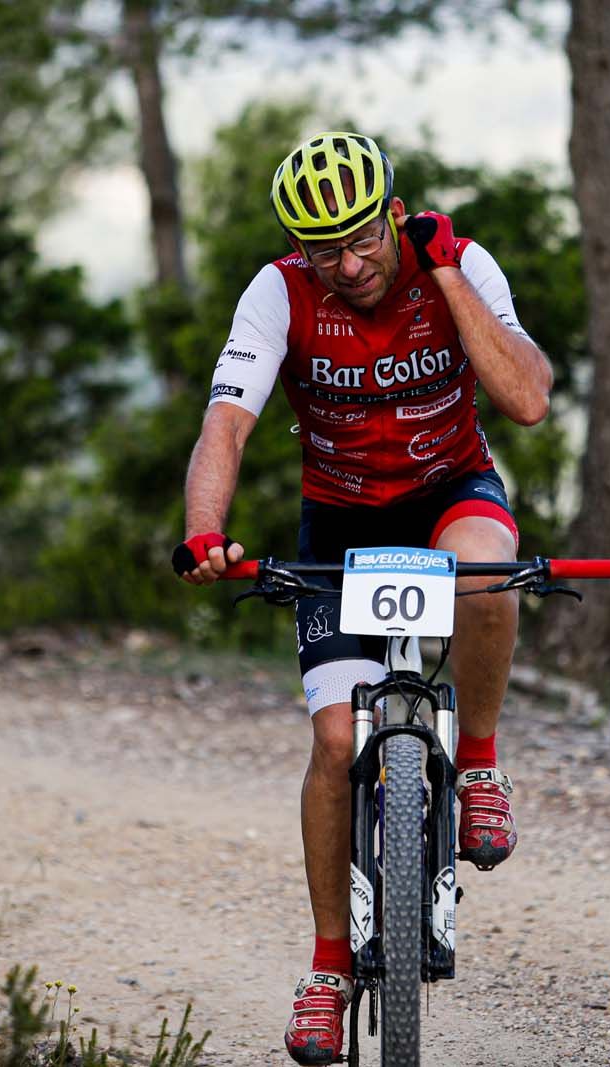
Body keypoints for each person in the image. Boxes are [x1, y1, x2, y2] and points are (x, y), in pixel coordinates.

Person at [172, 131, 554, 1065]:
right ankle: (328, 967)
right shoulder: (278, 293)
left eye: (361, 240)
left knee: (488, 567)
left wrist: (450, 278)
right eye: (321, 251)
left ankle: (479, 763)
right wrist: (203, 530)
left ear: (392, 212)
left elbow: (528, 399)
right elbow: (226, 422)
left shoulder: (459, 263)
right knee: (337, 738)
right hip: (340, 523)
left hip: (448, 491)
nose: (346, 266)